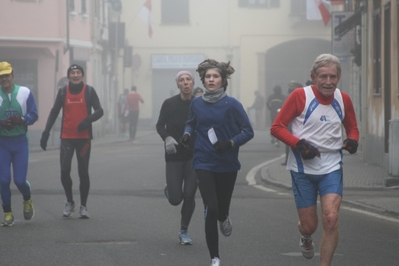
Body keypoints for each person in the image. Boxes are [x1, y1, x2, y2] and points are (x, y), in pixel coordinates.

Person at [270, 54, 359, 266]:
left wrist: (353, 141)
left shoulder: (343, 99)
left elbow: (352, 127)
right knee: (309, 225)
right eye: (323, 76)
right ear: (313, 77)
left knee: (331, 218)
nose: (328, 82)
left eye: (333, 77)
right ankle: (305, 235)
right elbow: (277, 127)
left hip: (331, 166)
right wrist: (299, 144)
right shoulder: (300, 96)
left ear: (338, 77)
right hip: (302, 169)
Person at [181, 59, 254, 266]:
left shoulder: (232, 105)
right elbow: (190, 122)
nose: (211, 80)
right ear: (203, 80)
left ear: (223, 80)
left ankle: (225, 216)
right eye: (208, 77)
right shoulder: (196, 103)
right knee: (210, 208)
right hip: (203, 161)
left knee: (221, 209)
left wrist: (230, 142)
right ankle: (215, 257)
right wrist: (187, 134)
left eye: (215, 76)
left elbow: (248, 131)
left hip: (227, 163)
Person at [40, 64, 104, 219]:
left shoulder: (89, 91)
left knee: (83, 173)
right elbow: (54, 111)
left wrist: (87, 121)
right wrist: (46, 133)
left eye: (78, 72)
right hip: (67, 138)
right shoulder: (63, 92)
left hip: (83, 139)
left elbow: (100, 111)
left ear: (82, 75)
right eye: (72, 73)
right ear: (68, 76)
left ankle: (83, 206)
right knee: (64, 170)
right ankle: (70, 202)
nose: (75, 75)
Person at [156, 70, 198, 245]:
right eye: (182, 80)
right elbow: (159, 125)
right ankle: (170, 189)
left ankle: (184, 231)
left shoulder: (199, 104)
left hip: (194, 156)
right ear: (178, 84)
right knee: (175, 199)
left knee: (189, 195)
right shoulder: (169, 103)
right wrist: (167, 138)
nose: (186, 83)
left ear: (193, 83)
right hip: (174, 156)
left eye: (189, 79)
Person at [0, 61, 38, 226]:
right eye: (1, 76)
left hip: (21, 142)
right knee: (3, 180)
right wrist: (1, 122)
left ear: (12, 76)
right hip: (3, 143)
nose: (4, 79)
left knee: (20, 180)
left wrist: (22, 120)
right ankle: (8, 212)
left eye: (7, 75)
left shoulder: (25, 92)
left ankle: (27, 199)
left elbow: (34, 114)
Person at [281, 80, 303, 166]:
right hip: (296, 122)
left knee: (289, 142)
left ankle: (288, 160)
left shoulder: (290, 96)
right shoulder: (300, 95)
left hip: (291, 122)